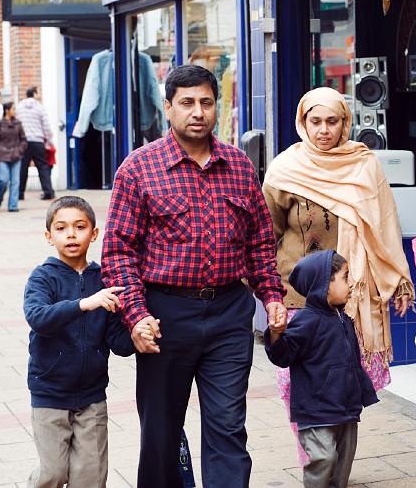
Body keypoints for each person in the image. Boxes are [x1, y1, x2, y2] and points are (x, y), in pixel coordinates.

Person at [102, 64, 287, 488]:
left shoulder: (240, 166)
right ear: (168, 108)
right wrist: (135, 315)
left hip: (228, 314)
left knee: (228, 428)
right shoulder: (138, 169)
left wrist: (272, 296)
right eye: (187, 103)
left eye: (206, 102)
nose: (198, 112)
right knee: (161, 434)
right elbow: (118, 252)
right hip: (164, 316)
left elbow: (259, 241)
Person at [262, 86, 414, 464]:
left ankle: (336, 462)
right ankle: (314, 461)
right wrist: (269, 293)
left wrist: (397, 281)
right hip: (297, 297)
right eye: (315, 121)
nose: (324, 130)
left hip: (349, 298)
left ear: (345, 123)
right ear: (303, 122)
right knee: (296, 381)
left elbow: (384, 228)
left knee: (342, 381)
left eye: (332, 121)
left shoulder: (364, 166)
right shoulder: (285, 170)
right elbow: (266, 235)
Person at [23, 196, 152, 488]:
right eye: (61, 228)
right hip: (50, 393)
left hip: (92, 396)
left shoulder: (103, 279)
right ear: (48, 236)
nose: (71, 234)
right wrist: (83, 304)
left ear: (94, 234)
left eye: (79, 227)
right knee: (53, 473)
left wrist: (135, 334)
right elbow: (38, 318)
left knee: (90, 477)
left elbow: (116, 341)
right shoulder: (43, 278)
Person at [265, 250, 378, 488]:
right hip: (316, 411)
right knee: (323, 458)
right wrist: (276, 333)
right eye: (345, 278)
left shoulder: (344, 318)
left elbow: (352, 363)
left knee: (341, 467)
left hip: (344, 408)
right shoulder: (307, 320)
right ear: (324, 285)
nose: (350, 284)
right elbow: (282, 355)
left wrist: (361, 392)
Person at [0, 102, 27, 212]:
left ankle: (13, 206)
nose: (15, 111)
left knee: (15, 182)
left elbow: (23, 139)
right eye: (13, 108)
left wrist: (19, 150)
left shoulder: (18, 123)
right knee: (3, 180)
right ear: (7, 110)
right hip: (2, 156)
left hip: (16, 156)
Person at [18, 86, 55, 201]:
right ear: (34, 93)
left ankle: (20, 193)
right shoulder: (40, 108)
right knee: (43, 167)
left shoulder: (19, 107)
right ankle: (48, 191)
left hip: (23, 141)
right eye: (38, 92)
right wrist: (50, 141)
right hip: (37, 141)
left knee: (22, 168)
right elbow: (46, 126)